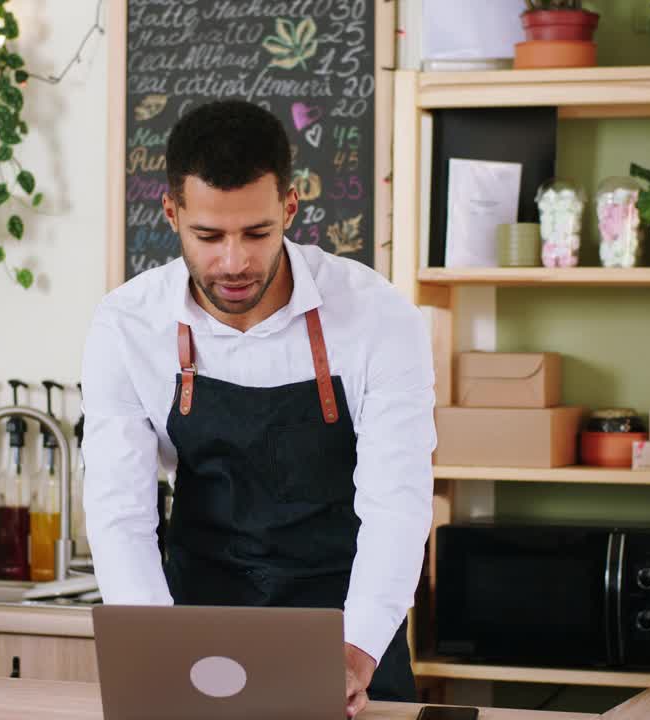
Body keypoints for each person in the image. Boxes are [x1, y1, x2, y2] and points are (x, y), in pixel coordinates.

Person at [81, 99, 435, 717]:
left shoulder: (378, 317)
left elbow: (397, 501)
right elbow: (120, 512)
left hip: (346, 623)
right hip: (199, 624)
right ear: (171, 213)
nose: (235, 262)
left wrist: (358, 648)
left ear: (290, 209)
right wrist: (156, 651)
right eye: (209, 236)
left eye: (257, 232)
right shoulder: (126, 326)